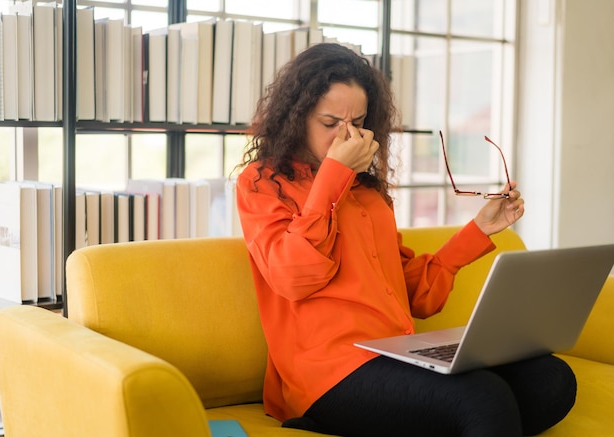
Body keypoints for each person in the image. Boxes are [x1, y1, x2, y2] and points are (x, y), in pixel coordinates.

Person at [235, 42, 576, 436]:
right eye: (330, 123)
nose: (347, 136)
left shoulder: (367, 191)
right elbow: (293, 277)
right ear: (296, 119)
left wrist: (477, 231)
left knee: (551, 378)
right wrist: (332, 177)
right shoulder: (262, 183)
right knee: (482, 397)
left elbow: (415, 296)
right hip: (327, 374)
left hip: (396, 353)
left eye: (358, 122)